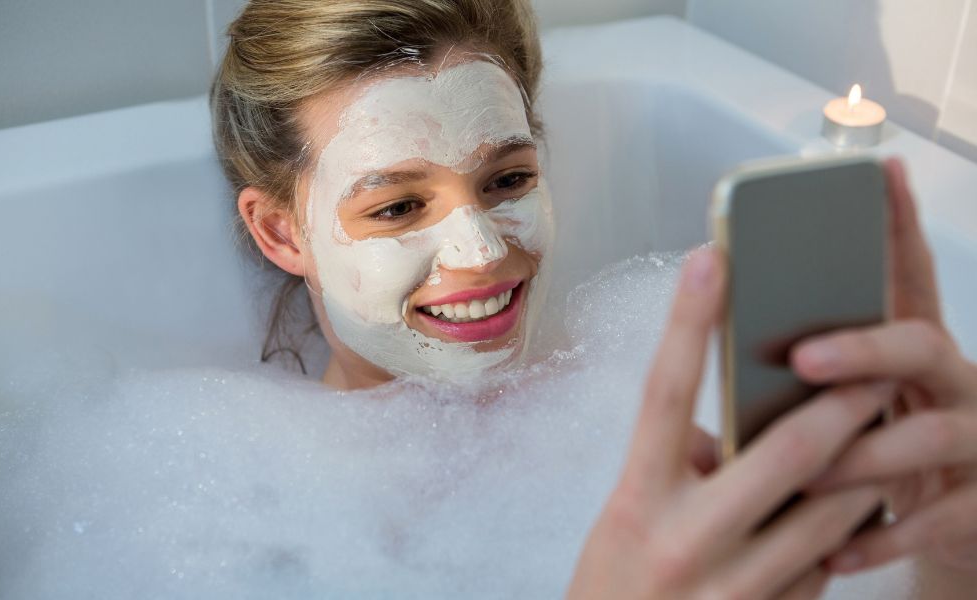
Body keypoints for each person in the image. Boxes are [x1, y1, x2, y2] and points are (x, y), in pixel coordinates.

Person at [211, 1, 977, 597]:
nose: (481, 252)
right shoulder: (256, 530)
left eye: (508, 179)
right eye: (398, 208)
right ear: (282, 233)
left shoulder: (636, 394)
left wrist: (955, 555)